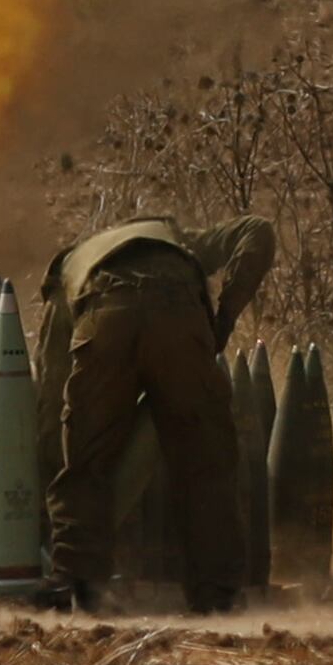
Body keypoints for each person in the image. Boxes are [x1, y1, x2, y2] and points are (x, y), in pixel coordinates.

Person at [39, 215, 279, 612]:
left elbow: (50, 395)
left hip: (104, 312)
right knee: (207, 465)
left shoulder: (70, 269)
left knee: (85, 464)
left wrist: (50, 467)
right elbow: (259, 231)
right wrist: (223, 320)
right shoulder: (178, 240)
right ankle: (214, 598)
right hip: (180, 313)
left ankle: (78, 591)